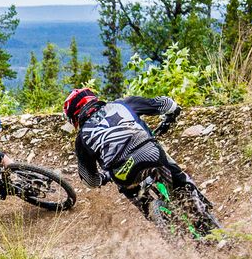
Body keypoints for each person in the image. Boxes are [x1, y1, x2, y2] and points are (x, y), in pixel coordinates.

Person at [65, 87, 198, 209]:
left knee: (132, 192)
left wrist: (104, 178)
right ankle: (196, 205)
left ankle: (159, 219)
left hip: (122, 173)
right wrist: (172, 114)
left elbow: (90, 181)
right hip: (150, 153)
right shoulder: (123, 104)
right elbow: (167, 104)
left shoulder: (81, 139)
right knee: (176, 177)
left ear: (74, 116)